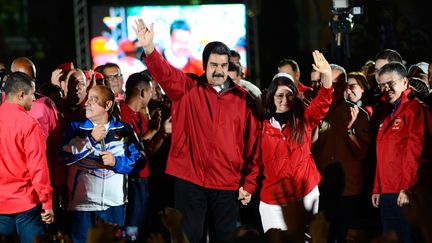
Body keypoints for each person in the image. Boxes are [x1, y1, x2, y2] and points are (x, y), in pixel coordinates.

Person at [133, 18, 261, 243]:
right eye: (214, 65)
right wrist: (149, 48)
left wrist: (249, 182)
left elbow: (253, 144)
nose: (219, 71)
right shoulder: (187, 88)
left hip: (227, 183)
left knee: (225, 239)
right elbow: (165, 73)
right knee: (188, 239)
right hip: (190, 182)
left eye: (223, 65)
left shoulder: (243, 99)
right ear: (204, 64)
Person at [60, 85, 147, 243]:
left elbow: (140, 160)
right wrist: (89, 140)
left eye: (94, 99)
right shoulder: (75, 127)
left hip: (115, 206)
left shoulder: (124, 129)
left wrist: (116, 162)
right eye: (88, 98)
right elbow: (63, 157)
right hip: (82, 207)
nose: (87, 103)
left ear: (107, 105)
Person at [259, 50, 333, 233]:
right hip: (272, 200)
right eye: (279, 96)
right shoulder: (261, 127)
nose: (285, 100)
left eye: (289, 95)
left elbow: (323, 100)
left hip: (305, 194)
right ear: (271, 96)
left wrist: (327, 74)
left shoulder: (305, 119)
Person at [371, 62, 431, 243]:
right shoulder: (384, 111)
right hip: (387, 192)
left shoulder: (416, 110)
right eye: (382, 85)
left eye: (391, 83)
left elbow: (416, 153)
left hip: (406, 193)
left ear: (405, 82)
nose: (386, 88)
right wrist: (377, 187)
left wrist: (408, 188)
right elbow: (381, 152)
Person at [312, 64, 371, 243]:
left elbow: (362, 153)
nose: (335, 88)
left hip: (349, 189)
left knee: (346, 237)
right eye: (331, 83)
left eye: (339, 83)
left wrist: (350, 130)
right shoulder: (316, 112)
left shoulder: (358, 114)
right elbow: (309, 148)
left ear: (346, 85)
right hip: (322, 189)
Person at [0, 72, 54, 242]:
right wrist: (47, 203)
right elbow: (38, 168)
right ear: (21, 95)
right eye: (32, 94)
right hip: (27, 206)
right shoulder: (29, 124)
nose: (34, 99)